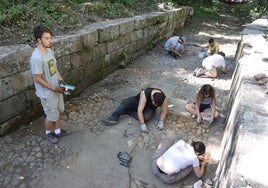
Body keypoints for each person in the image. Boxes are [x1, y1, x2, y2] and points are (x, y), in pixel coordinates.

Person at [30, 25, 71, 144]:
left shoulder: (49, 51)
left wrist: (61, 79)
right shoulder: (36, 57)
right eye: (46, 38)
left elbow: (54, 68)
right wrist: (54, 89)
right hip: (47, 93)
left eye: (50, 38)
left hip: (56, 88)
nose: (50, 41)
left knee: (57, 111)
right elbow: (37, 78)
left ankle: (57, 131)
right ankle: (48, 133)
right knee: (51, 115)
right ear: (39, 40)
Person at [102, 87, 168, 133]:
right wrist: (142, 124)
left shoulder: (162, 98)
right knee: (125, 103)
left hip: (149, 108)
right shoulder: (146, 93)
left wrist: (161, 121)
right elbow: (140, 110)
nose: (156, 105)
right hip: (137, 102)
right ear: (152, 98)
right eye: (155, 103)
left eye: (157, 105)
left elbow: (164, 110)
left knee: (145, 118)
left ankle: (128, 111)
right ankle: (112, 119)